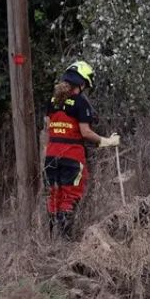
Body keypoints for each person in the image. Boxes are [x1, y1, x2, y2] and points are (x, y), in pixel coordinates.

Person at [41, 61, 120, 237]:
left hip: (51, 156)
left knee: (54, 196)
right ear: (82, 83)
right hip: (72, 158)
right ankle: (65, 240)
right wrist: (107, 141)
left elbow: (48, 129)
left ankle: (51, 240)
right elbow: (85, 133)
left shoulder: (52, 101)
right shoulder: (80, 102)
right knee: (69, 196)